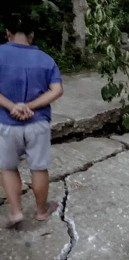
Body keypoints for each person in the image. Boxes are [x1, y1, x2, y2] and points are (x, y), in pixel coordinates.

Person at [0, 13, 64, 228]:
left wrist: (12, 106)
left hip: (5, 123)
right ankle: (41, 211)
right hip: (37, 123)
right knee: (38, 168)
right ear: (32, 35)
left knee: (8, 168)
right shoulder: (46, 59)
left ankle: (17, 212)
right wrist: (30, 106)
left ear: (7, 34)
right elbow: (57, 90)